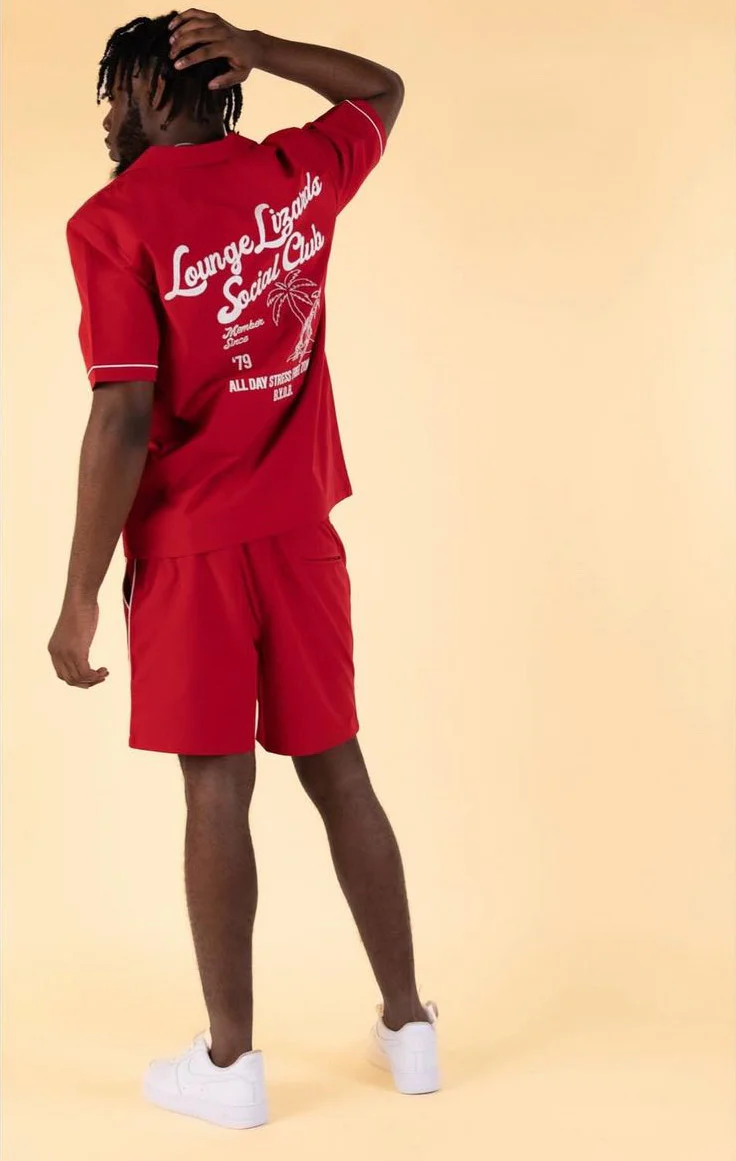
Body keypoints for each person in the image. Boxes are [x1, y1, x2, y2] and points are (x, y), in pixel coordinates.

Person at [48, 8, 439, 1129]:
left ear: (156, 89)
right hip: (302, 536)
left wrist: (80, 594)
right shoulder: (292, 175)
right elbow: (380, 90)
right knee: (341, 771)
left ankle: (231, 1066)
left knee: (217, 787)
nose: (108, 115)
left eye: (118, 90)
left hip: (192, 551)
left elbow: (123, 416)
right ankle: (409, 1027)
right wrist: (264, 50)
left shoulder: (113, 221)